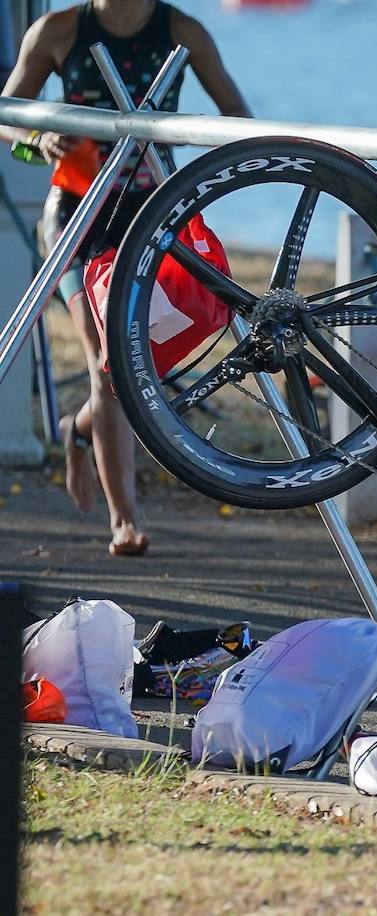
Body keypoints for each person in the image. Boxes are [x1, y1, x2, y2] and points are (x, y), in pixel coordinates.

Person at [1, 0, 249, 556]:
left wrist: (176, 133)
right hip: (77, 218)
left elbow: (239, 120)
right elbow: (7, 111)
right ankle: (125, 520)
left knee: (137, 369)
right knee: (108, 361)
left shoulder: (185, 32)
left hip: (154, 219)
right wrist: (41, 136)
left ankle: (81, 429)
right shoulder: (59, 30)